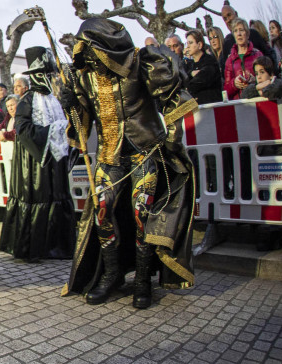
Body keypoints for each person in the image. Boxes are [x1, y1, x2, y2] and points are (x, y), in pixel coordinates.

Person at [61, 18, 197, 309]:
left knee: (141, 214)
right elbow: (81, 126)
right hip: (110, 157)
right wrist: (70, 104)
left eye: (91, 52)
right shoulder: (85, 77)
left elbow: (171, 99)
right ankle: (112, 275)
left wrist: (172, 139)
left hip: (144, 152)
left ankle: (144, 279)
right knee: (102, 211)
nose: (88, 59)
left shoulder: (140, 62)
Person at [0, 47, 75, 262]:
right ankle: (34, 248)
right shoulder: (27, 101)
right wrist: (53, 131)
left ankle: (57, 246)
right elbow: (23, 130)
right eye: (45, 74)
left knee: (57, 198)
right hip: (35, 165)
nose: (49, 78)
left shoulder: (54, 100)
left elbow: (66, 127)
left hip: (54, 163)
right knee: (38, 199)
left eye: (51, 74)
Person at [218, 2, 273, 71]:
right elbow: (226, 70)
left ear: (236, 14)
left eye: (229, 15)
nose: (228, 20)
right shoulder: (227, 42)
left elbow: (268, 56)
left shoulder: (254, 34)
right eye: (225, 18)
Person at [223, 18, 264, 99]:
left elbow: (266, 79)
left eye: (241, 30)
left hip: (257, 101)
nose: (239, 34)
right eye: (235, 31)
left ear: (248, 34)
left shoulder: (258, 54)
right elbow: (226, 90)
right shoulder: (230, 60)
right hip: (239, 105)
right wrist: (234, 84)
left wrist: (256, 80)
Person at [184, 29, 223, 103]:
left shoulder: (210, 61)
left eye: (191, 43)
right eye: (187, 43)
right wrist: (191, 74)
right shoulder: (189, 64)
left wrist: (186, 86)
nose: (188, 46)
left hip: (211, 106)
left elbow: (200, 81)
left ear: (199, 45)